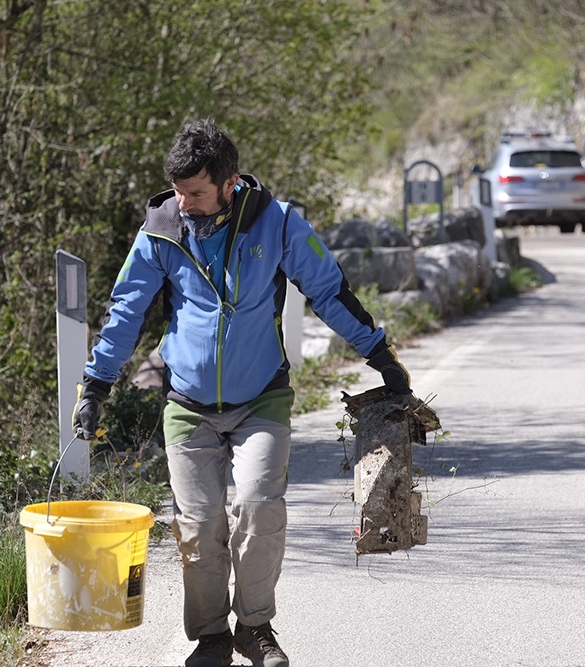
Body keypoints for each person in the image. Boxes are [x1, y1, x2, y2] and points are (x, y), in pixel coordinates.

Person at [72, 119, 412, 667]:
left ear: (228, 184)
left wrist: (378, 354)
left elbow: (328, 289)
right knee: (200, 524)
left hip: (261, 399)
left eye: (196, 192)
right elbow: (126, 310)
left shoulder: (275, 224)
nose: (184, 202)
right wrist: (96, 384)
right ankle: (210, 637)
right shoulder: (162, 228)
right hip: (186, 405)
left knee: (257, 507)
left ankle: (254, 628)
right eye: (179, 190)